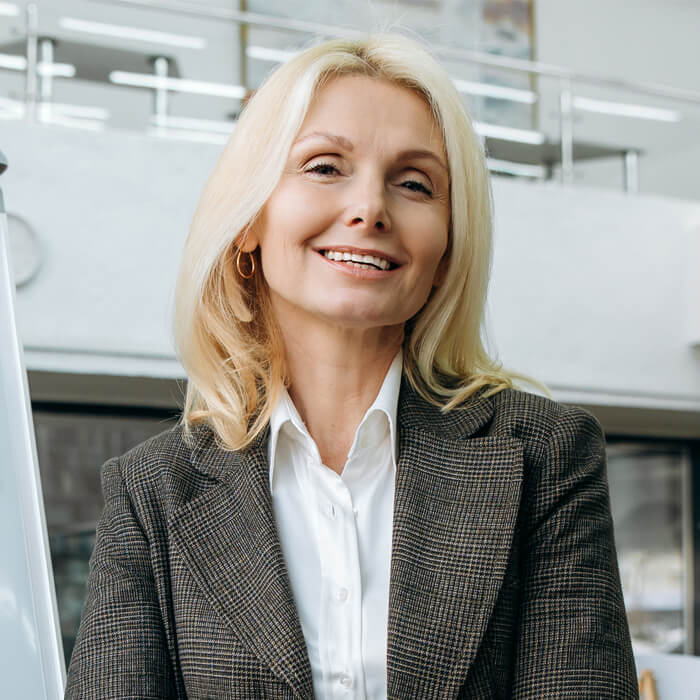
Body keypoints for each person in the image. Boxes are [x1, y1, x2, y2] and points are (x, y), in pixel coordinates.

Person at [65, 33, 638, 699]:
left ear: (448, 247)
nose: (370, 209)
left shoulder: (546, 456)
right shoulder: (152, 491)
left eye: (414, 183)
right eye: (324, 167)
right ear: (249, 220)